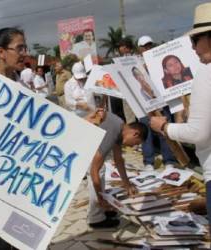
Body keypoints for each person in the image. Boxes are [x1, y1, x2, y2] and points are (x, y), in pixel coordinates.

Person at [150, 2, 211, 235]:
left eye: (195, 40)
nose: (193, 48)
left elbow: (199, 133)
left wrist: (164, 126)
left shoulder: (206, 72)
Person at [0, 27, 28, 250]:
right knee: (1, 237)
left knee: (23, 233)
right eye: (19, 48)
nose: (24, 53)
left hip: (22, 173)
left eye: (25, 47)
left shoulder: (22, 83)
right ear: (2, 52)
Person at [87, 112, 148, 228]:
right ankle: (95, 218)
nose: (133, 147)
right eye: (136, 143)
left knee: (101, 171)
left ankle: (100, 209)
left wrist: (127, 185)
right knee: (98, 173)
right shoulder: (113, 132)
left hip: (87, 141)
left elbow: (118, 160)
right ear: (135, 134)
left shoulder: (120, 128)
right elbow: (94, 170)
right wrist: (100, 198)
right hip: (80, 144)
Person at [137, 35, 177, 171]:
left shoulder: (158, 60)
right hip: (144, 105)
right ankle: (148, 162)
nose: (148, 48)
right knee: (146, 133)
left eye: (149, 45)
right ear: (140, 49)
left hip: (161, 103)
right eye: (145, 46)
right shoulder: (136, 63)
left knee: (164, 130)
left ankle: (169, 161)